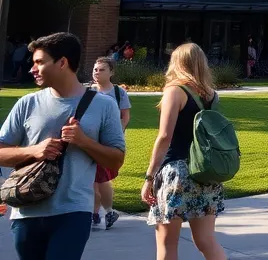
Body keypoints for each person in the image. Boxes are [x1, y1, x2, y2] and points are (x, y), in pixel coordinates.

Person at [0, 33, 126, 260]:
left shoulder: (104, 105)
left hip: (73, 212)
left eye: (39, 62)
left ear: (62, 62)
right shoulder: (27, 103)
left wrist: (84, 142)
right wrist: (33, 150)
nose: (32, 69)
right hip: (26, 210)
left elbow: (116, 160)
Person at [141, 42, 225, 260]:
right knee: (207, 241)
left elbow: (164, 136)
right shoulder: (212, 95)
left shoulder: (175, 91)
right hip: (206, 172)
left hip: (176, 171)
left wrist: (149, 177)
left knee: (167, 244)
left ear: (177, 62)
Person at [91, 57, 132, 231]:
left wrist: (117, 135)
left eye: (101, 70)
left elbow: (125, 116)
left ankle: (106, 212)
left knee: (102, 179)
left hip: (109, 144)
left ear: (111, 72)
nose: (97, 72)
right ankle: (95, 213)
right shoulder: (88, 91)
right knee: (92, 179)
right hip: (90, 141)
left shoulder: (118, 93)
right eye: (95, 69)